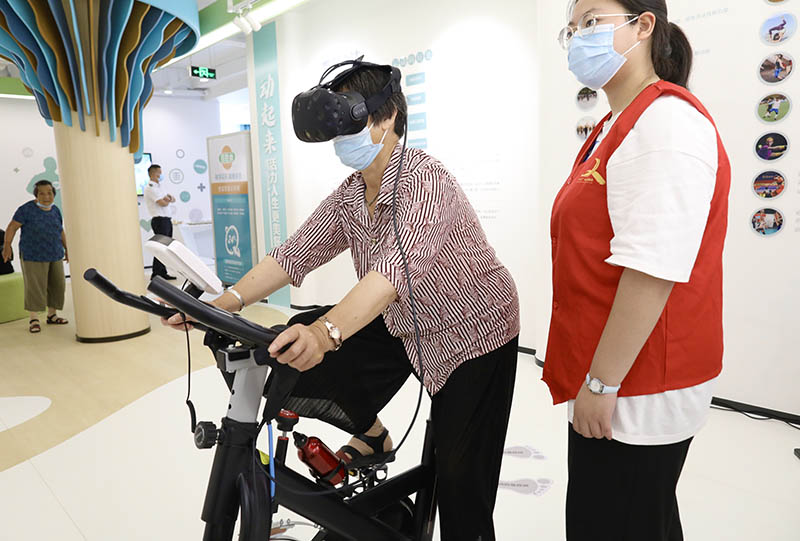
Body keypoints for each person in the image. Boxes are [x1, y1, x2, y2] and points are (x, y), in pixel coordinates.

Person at [167, 61, 520, 541]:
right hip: (406, 322)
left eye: (351, 121)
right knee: (291, 355)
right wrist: (222, 303)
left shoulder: (425, 179)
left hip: (472, 334)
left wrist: (325, 333)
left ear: (387, 117)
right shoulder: (352, 193)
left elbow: (390, 273)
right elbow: (292, 255)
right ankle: (374, 436)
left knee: (462, 485)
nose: (342, 137)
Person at [548, 1, 731, 539]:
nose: (578, 35)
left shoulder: (667, 122)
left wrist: (602, 384)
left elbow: (653, 269)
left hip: (641, 379)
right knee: (634, 519)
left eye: (592, 20)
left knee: (614, 521)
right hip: (617, 367)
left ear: (643, 25)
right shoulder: (616, 125)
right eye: (572, 27)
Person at [3, 180, 69, 333]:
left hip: (54, 253)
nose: (46, 196)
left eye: (49, 193)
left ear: (54, 194)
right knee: (35, 287)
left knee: (57, 285)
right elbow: (12, 227)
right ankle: (33, 319)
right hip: (33, 254)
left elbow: (60, 230)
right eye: (42, 193)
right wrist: (7, 245)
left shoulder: (55, 210)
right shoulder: (26, 210)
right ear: (36, 195)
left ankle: (52, 315)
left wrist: (67, 248)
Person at [143, 164, 176, 280]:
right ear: (153, 174)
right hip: (159, 221)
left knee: (165, 248)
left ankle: (162, 272)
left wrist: (168, 199)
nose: (161, 175)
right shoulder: (150, 188)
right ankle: (156, 274)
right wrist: (167, 200)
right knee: (160, 247)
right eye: (159, 173)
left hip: (166, 220)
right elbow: (162, 202)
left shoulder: (160, 186)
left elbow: (172, 198)